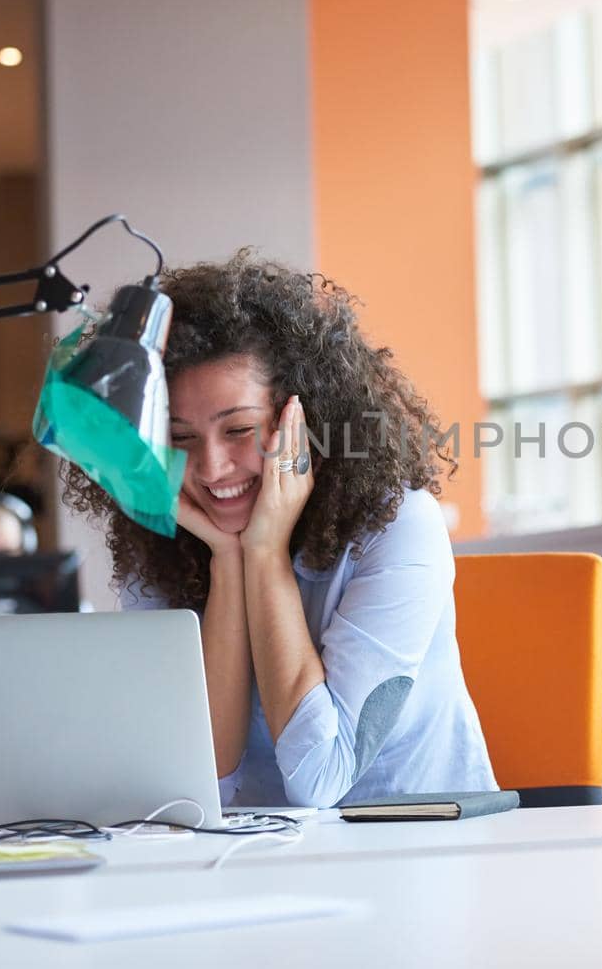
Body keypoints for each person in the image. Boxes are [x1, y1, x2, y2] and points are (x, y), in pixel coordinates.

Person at [63, 254, 497, 809]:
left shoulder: (398, 526)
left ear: (302, 421)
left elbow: (321, 778)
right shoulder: (164, 543)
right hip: (249, 862)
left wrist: (264, 552)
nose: (212, 468)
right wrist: (226, 558)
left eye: (239, 429)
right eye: (180, 437)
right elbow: (199, 787)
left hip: (416, 848)